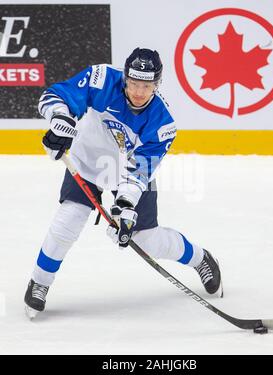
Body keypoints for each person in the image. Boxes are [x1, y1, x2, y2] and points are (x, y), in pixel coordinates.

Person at [24, 48, 222, 318]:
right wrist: (60, 119)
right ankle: (40, 281)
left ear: (157, 84)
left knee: (147, 240)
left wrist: (125, 205)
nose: (139, 91)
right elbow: (57, 95)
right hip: (87, 162)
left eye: (147, 85)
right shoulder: (102, 78)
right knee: (69, 218)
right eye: (134, 83)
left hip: (128, 176)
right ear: (125, 77)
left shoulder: (163, 122)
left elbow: (141, 170)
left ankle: (201, 258)